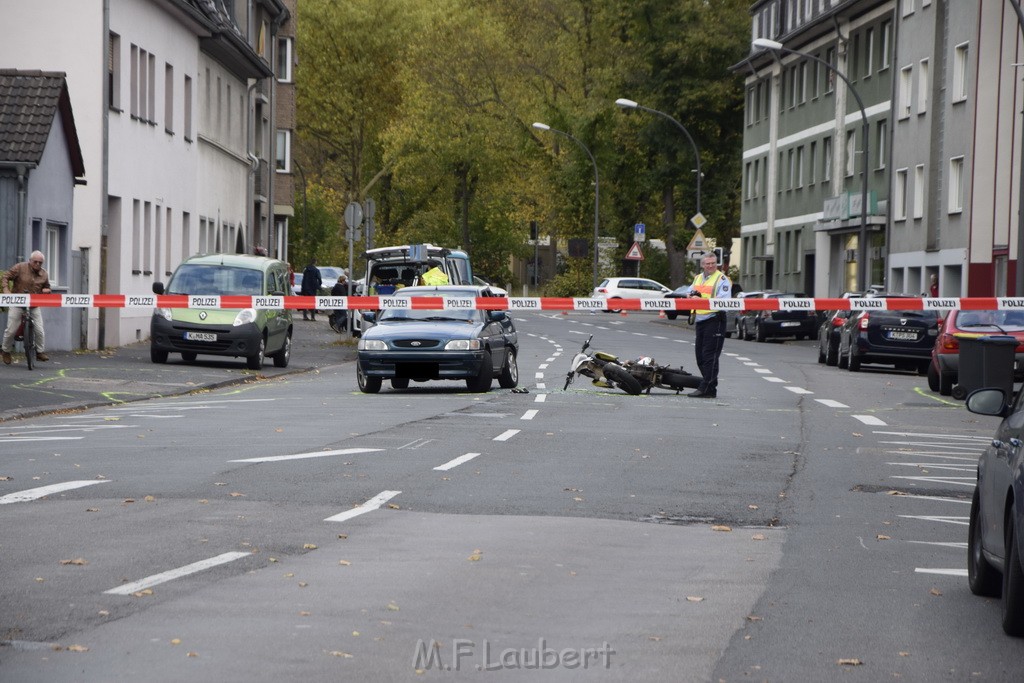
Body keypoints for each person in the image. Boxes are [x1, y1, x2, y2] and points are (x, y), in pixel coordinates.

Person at [687, 254, 732, 398]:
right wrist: (690, 296)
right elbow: (689, 291)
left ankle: (707, 387)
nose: (711, 266)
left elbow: (723, 300)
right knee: (700, 357)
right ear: (702, 265)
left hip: (715, 320)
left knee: (709, 356)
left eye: (713, 263)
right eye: (708, 263)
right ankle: (710, 387)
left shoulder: (722, 279)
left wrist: (700, 299)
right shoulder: (698, 278)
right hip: (701, 320)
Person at [2, 251, 52, 365]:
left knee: (39, 330)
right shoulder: (20, 267)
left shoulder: (44, 274)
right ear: (30, 261)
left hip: (34, 305)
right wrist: (6, 290)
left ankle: (39, 352)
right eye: (35, 262)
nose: (38, 264)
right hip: (17, 303)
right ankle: (5, 351)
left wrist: (47, 291)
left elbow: (47, 287)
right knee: (11, 330)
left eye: (40, 262)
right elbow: (6, 276)